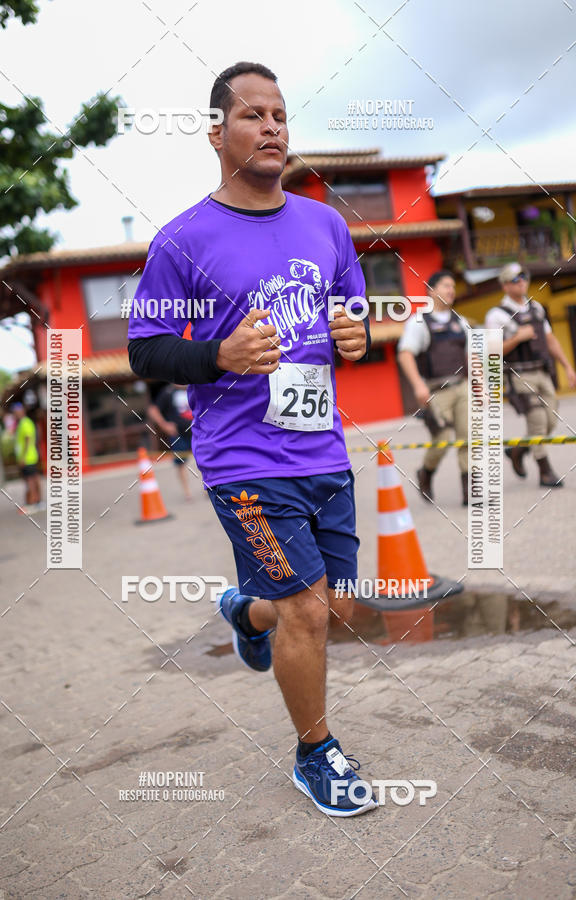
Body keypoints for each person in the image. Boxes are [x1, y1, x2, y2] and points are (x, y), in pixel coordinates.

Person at [128, 61, 376, 817]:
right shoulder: (184, 239)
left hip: (323, 452)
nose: (272, 127)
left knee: (333, 609)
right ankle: (315, 753)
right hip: (243, 461)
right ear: (216, 133)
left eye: (280, 114)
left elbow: (355, 321)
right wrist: (218, 355)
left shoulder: (326, 223)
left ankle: (247, 612)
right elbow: (146, 350)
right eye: (252, 115)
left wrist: (354, 336)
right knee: (306, 608)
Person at [485, 262, 576, 487]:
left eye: (523, 277)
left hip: (542, 371)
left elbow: (550, 339)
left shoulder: (536, 308)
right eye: (515, 279)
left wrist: (567, 366)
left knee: (550, 421)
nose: (522, 282)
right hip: (519, 375)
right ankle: (545, 471)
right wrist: (517, 338)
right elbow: (492, 350)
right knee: (536, 420)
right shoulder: (496, 315)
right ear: (505, 285)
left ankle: (518, 450)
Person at [397, 271, 470, 506]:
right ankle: (426, 472)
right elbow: (405, 354)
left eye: (453, 286)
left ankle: (470, 491)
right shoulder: (419, 321)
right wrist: (418, 385)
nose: (451, 290)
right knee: (443, 439)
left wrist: (481, 387)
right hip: (436, 390)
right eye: (446, 285)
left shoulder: (461, 321)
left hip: (463, 387)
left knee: (468, 437)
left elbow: (472, 357)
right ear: (431, 290)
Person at [146, 382, 194, 501]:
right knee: (181, 463)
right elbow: (153, 409)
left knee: (204, 460)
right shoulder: (167, 392)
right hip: (178, 434)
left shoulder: (194, 388)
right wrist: (164, 425)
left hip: (196, 431)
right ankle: (187, 492)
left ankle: (208, 488)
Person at [12, 402, 43, 512]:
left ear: (22, 411)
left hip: (28, 457)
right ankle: (37, 502)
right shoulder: (22, 423)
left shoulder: (25, 423)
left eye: (16, 411)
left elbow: (28, 439)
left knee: (30, 480)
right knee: (33, 479)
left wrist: (23, 457)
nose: (15, 414)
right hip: (29, 456)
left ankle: (35, 502)